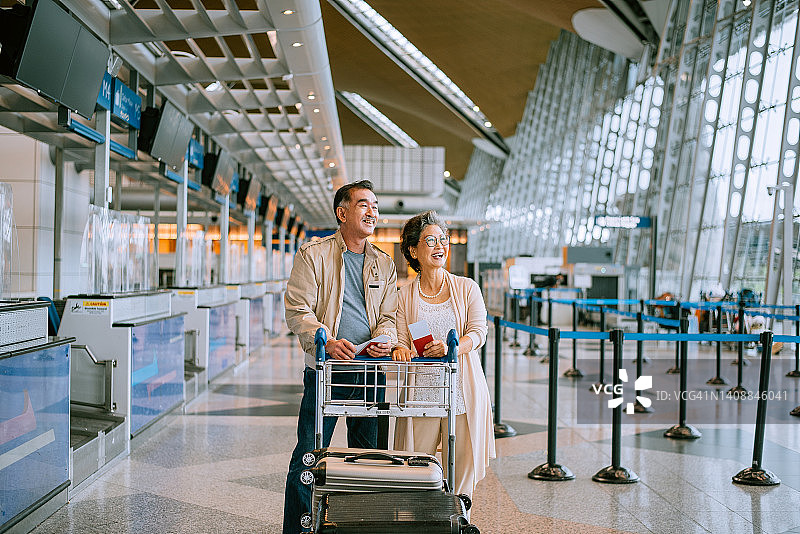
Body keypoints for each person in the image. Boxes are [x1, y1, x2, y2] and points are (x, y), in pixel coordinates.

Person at [282, 180, 397, 534]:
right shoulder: (313, 255)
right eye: (364, 204)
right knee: (309, 454)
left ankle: (362, 526)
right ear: (342, 212)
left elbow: (390, 317)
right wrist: (327, 341)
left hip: (370, 370)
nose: (372, 211)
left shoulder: (384, 263)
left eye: (375, 205)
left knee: (371, 458)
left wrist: (385, 339)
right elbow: (297, 309)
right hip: (326, 370)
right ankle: (297, 529)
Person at [391, 210, 495, 501]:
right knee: (416, 468)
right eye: (431, 240)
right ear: (413, 250)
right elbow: (400, 339)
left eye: (443, 239)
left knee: (461, 475)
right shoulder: (403, 296)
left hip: (462, 393)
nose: (440, 246)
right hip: (421, 393)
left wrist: (453, 348)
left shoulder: (466, 288)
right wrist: (400, 349)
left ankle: (459, 522)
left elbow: (479, 332)